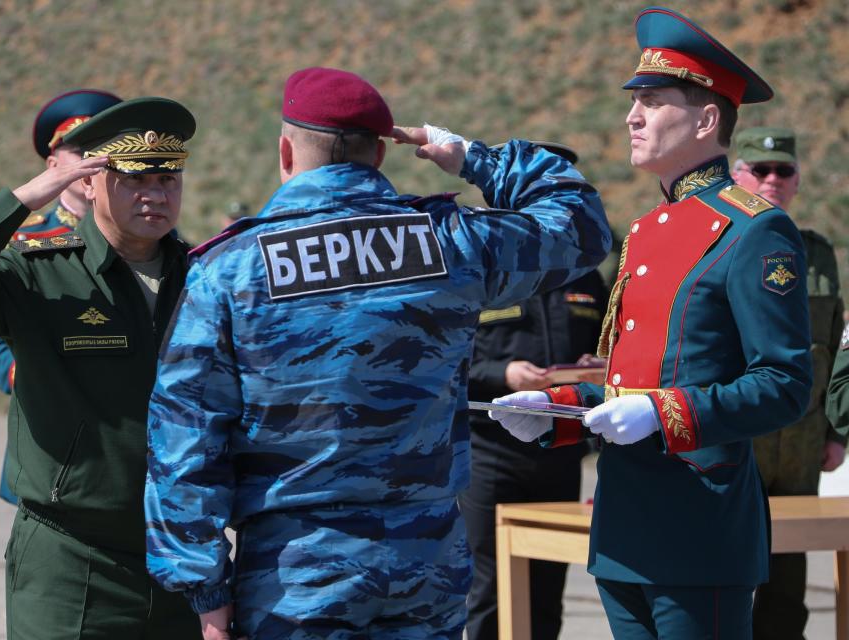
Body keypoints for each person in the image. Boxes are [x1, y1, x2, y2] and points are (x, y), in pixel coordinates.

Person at [144, 66, 611, 639]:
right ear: (381, 155)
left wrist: (204, 586)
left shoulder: (231, 268)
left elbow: (186, 433)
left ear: (286, 152)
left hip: (297, 570)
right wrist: (473, 158)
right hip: (427, 561)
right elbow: (582, 227)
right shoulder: (451, 239)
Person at [490, 7, 813, 638]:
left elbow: (784, 383)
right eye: (634, 102)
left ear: (706, 119)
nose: (631, 118)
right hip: (623, 528)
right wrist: (558, 408)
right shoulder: (644, 231)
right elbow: (632, 383)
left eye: (654, 101)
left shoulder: (754, 228)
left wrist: (662, 415)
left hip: (698, 526)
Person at [0, 97, 201, 639]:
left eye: (168, 179)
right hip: (72, 556)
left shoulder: (203, 276)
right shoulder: (38, 270)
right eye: (134, 178)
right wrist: (23, 199)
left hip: (182, 554)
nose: (155, 195)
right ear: (88, 181)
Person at [460, 142, 609, 640]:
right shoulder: (480, 261)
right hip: (489, 451)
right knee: (488, 590)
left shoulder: (586, 269)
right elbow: (447, 360)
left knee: (548, 590)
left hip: (559, 448)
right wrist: (503, 375)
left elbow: (609, 345)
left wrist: (595, 366)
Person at [0, 88, 122, 504]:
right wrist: (28, 374)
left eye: (104, 148)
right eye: (80, 150)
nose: (93, 159)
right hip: (51, 442)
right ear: (53, 164)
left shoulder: (144, 237)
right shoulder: (23, 241)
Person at [731, 126, 847, 639]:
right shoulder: (718, 244)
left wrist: (837, 432)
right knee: (730, 571)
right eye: (760, 170)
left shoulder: (816, 254)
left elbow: (832, 346)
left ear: (797, 180)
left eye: (783, 171)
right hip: (740, 437)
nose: (772, 179)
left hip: (801, 444)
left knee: (788, 582)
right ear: (737, 176)